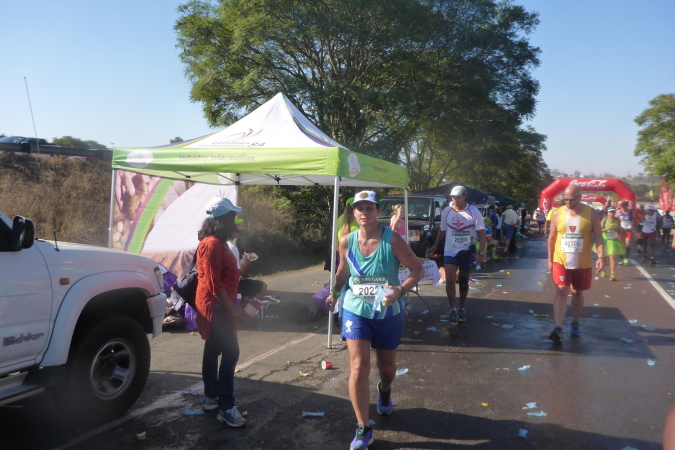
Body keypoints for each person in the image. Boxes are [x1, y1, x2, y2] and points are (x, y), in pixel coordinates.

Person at [324, 190, 423, 450]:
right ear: (354, 212)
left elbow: (417, 269)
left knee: (387, 368)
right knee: (359, 365)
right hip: (356, 309)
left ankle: (385, 389)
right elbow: (342, 271)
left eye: (369, 208)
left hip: (388, 312)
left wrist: (401, 289)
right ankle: (363, 427)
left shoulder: (393, 240)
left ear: (378, 211)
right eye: (360, 208)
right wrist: (334, 293)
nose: (364, 212)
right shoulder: (346, 241)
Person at [195, 196, 250, 427]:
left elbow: (226, 275)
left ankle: (212, 397)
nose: (236, 221)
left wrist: (243, 267)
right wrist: (233, 310)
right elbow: (214, 285)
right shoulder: (212, 244)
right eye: (233, 217)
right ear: (224, 220)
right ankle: (226, 408)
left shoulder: (218, 243)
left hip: (218, 305)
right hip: (215, 307)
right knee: (231, 352)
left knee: (213, 348)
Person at [547, 184, 604, 343]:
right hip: (561, 259)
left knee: (577, 291)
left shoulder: (591, 213)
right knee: (562, 290)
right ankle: (558, 328)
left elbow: (598, 237)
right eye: (565, 199)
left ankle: (575, 322)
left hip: (582, 261)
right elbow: (552, 238)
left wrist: (601, 257)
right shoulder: (557, 213)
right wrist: (550, 259)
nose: (568, 202)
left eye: (571, 199)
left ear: (580, 197)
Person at [429, 185, 486, 324]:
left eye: (458, 197)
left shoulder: (473, 211)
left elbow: (482, 233)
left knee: (463, 282)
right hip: (450, 250)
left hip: (466, 250)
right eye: (453, 197)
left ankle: (462, 308)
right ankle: (453, 310)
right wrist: (435, 245)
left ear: (465, 197)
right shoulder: (447, 211)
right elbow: (442, 230)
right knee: (450, 280)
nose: (455, 199)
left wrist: (481, 253)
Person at [227, 232, 267, 302]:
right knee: (263, 286)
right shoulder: (232, 248)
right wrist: (245, 263)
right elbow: (236, 273)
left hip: (222, 284)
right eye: (238, 226)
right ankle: (247, 308)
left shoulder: (221, 244)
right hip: (230, 286)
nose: (239, 229)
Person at [600, 206, 625, 281]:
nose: (612, 214)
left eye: (613, 212)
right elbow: (600, 230)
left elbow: (620, 230)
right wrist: (608, 228)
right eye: (610, 212)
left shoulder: (617, 220)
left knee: (612, 257)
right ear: (608, 213)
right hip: (605, 240)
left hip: (614, 241)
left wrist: (623, 239)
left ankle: (612, 274)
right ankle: (603, 269)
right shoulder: (604, 219)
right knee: (604, 257)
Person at [617, 200, 634, 265]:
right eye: (621, 206)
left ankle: (626, 258)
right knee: (621, 244)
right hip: (621, 230)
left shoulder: (631, 212)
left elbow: (634, 220)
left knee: (627, 244)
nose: (622, 207)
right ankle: (621, 258)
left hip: (628, 230)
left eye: (624, 205)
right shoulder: (618, 211)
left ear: (627, 205)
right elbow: (616, 220)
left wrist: (634, 228)